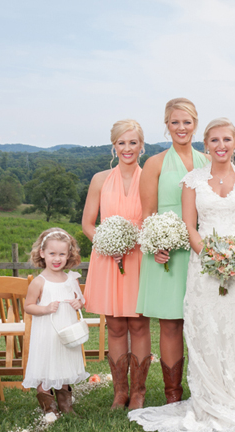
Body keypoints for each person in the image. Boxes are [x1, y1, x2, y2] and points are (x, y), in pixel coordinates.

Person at [128, 118, 235, 432]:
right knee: (208, 329)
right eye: (214, 141)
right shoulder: (191, 181)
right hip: (203, 265)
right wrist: (209, 255)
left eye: (227, 140)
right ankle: (209, 397)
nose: (221, 146)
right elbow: (190, 227)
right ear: (206, 145)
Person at [136, 98, 208, 403]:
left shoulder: (207, 161)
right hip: (166, 255)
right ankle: (172, 394)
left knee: (203, 321)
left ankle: (204, 390)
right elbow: (148, 213)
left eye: (187, 122)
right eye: (175, 122)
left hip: (202, 250)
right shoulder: (155, 163)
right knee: (171, 323)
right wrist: (156, 244)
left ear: (195, 124)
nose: (181, 127)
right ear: (167, 125)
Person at [82, 119, 150, 410]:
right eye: (121, 143)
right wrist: (109, 243)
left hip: (139, 257)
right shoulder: (99, 179)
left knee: (139, 323)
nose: (127, 148)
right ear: (114, 146)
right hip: (107, 258)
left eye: (132, 142)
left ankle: (138, 393)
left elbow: (151, 221)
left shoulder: (150, 178)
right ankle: (119, 392)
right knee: (116, 326)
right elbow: (87, 224)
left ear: (141, 146)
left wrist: (131, 243)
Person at [23, 227, 89, 414]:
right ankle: (49, 407)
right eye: (52, 253)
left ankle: (66, 405)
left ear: (69, 255)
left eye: (62, 254)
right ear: (42, 253)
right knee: (46, 365)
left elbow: (81, 300)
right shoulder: (39, 282)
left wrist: (79, 303)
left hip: (67, 332)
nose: (57, 258)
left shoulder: (71, 279)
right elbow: (28, 306)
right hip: (46, 334)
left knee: (64, 364)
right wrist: (44, 308)